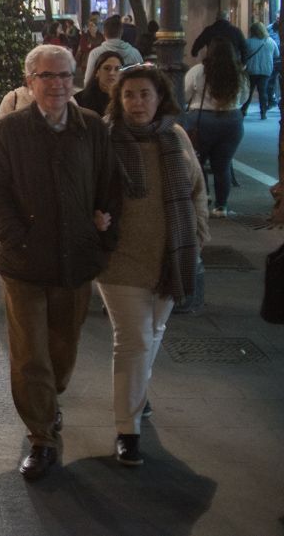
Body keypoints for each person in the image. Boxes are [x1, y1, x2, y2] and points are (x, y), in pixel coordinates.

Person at [0, 44, 117, 482]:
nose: (57, 84)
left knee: (63, 349)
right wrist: (17, 236)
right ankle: (41, 436)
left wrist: (102, 229)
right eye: (46, 76)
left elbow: (109, 184)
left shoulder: (92, 127)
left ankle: (48, 401)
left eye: (64, 76)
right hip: (24, 263)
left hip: (75, 260)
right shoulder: (10, 131)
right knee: (29, 355)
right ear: (29, 82)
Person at [98, 65, 208, 467]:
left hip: (170, 255)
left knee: (155, 331)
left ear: (160, 98)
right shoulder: (106, 138)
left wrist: (198, 238)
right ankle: (127, 429)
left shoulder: (175, 137)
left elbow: (197, 191)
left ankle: (136, 397)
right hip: (120, 259)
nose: (137, 102)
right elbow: (88, 188)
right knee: (134, 340)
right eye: (129, 95)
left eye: (145, 94)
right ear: (118, 99)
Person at [183, 38, 249, 217]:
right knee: (223, 166)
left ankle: (204, 197)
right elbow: (243, 97)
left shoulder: (198, 71)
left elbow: (185, 94)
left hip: (201, 120)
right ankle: (222, 206)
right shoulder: (238, 73)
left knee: (198, 162)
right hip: (231, 122)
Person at [83, 15, 142, 86]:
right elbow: (142, 79)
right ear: (121, 32)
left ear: (104, 32)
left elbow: (88, 81)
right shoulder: (134, 53)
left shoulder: (95, 53)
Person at [241, 22, 278, 119]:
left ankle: (244, 110)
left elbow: (242, 55)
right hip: (266, 71)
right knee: (263, 92)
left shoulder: (248, 42)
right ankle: (263, 112)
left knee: (249, 91)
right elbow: (277, 54)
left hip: (251, 70)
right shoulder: (270, 41)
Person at [74, 50, 124, 117]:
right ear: (97, 72)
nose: (112, 73)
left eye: (117, 69)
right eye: (107, 68)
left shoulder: (126, 99)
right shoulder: (78, 100)